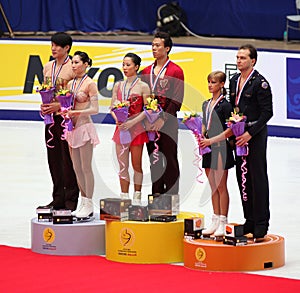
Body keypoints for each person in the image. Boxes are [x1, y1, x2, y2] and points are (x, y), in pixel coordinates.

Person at [229, 44, 273, 239]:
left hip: (254, 136)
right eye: (238, 57)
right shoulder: (233, 80)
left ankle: (262, 223)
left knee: (257, 177)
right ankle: (250, 219)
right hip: (238, 137)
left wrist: (250, 134)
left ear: (252, 61)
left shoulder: (260, 83)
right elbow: (233, 109)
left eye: (243, 58)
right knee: (242, 177)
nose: (239, 61)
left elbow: (267, 113)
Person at [141, 31, 184, 195]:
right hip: (149, 123)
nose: (154, 48)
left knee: (170, 159)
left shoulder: (176, 71)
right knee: (154, 158)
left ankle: (172, 198)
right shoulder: (145, 71)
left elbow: (177, 99)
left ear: (167, 48)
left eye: (157, 45)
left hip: (168, 122)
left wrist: (162, 120)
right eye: (152, 45)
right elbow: (141, 96)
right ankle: (156, 195)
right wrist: (147, 119)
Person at [40, 32, 79, 211]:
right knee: (53, 159)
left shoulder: (73, 67)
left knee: (67, 160)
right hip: (50, 120)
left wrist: (59, 107)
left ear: (67, 48)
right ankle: (57, 198)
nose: (53, 48)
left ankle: (71, 200)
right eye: (52, 44)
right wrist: (45, 106)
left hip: (66, 120)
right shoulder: (48, 67)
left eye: (57, 46)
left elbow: (77, 96)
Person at [110, 53, 150, 205]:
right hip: (121, 128)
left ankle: (137, 196)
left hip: (136, 129)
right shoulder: (118, 86)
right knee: (122, 165)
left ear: (136, 67)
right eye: (124, 64)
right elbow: (112, 107)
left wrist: (132, 122)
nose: (125, 68)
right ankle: (124, 196)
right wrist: (118, 120)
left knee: (136, 164)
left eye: (128, 65)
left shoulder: (143, 86)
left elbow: (148, 110)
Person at [64, 51, 99, 218]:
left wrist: (76, 113)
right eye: (72, 62)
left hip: (84, 127)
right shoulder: (70, 84)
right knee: (76, 168)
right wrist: (65, 112)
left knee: (86, 167)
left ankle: (89, 203)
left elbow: (95, 109)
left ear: (85, 64)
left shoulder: (90, 83)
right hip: (72, 128)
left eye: (77, 62)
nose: (73, 65)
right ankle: (82, 202)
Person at [199, 71, 235, 237]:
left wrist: (211, 141)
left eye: (213, 82)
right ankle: (214, 219)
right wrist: (200, 135)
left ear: (222, 84)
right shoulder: (206, 104)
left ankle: (223, 220)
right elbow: (205, 125)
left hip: (221, 148)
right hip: (208, 147)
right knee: (212, 185)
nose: (210, 85)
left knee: (221, 185)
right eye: (209, 82)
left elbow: (230, 130)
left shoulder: (226, 105)